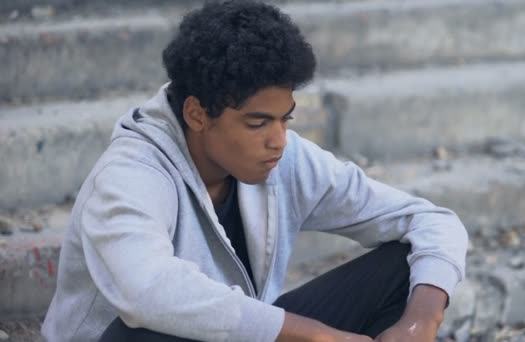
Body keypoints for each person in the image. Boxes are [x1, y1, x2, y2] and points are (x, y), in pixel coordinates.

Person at [41, 1, 468, 341]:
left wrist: (421, 320)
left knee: (407, 267)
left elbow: (430, 220)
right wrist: (310, 334)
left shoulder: (284, 158)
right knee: (156, 328)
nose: (278, 139)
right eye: (257, 122)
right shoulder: (131, 173)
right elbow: (146, 292)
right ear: (197, 114)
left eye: (286, 119)